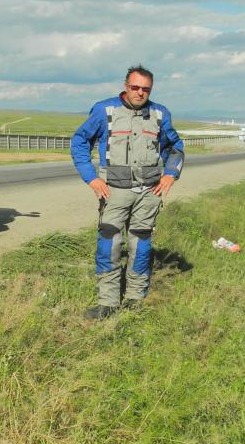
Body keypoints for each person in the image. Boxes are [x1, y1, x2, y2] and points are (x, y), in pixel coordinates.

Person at [71, 65, 184, 319]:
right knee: (110, 243)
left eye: (145, 89)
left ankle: (135, 298)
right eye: (135, 87)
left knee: (140, 243)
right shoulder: (104, 110)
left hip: (149, 193)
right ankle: (108, 302)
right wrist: (91, 179)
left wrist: (170, 174)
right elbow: (79, 142)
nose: (140, 93)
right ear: (125, 86)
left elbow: (176, 148)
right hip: (114, 192)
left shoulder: (160, 114)